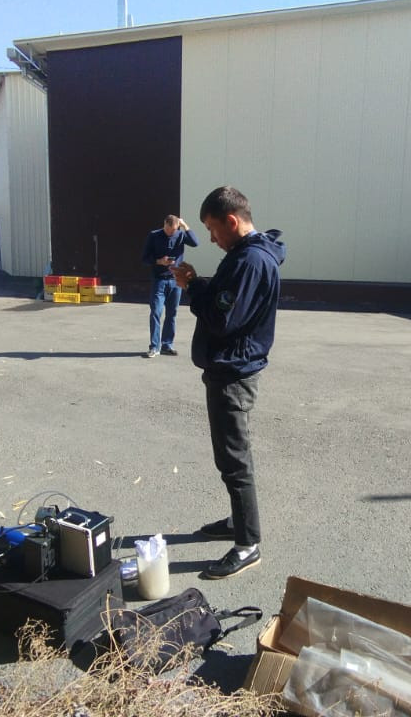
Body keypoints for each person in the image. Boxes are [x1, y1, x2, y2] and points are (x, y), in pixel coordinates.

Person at [170, 186, 286, 579]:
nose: (211, 238)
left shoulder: (249, 261)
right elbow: (227, 302)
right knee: (230, 457)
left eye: (212, 229)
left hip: (233, 373)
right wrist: (198, 283)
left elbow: (222, 319)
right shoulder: (245, 256)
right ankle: (239, 522)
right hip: (232, 368)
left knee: (234, 460)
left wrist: (192, 287)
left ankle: (247, 544)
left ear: (232, 221)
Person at [141, 214, 198, 358]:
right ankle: (154, 347)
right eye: (169, 229)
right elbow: (145, 259)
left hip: (175, 280)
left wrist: (185, 226)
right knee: (156, 312)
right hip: (159, 280)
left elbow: (195, 243)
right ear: (164, 224)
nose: (171, 233)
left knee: (172, 313)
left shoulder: (180, 235)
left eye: (174, 230)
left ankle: (167, 345)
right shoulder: (154, 236)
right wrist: (159, 261)